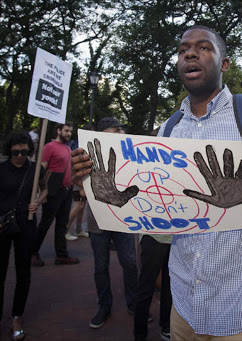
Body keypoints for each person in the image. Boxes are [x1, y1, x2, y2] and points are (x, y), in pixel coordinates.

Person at [72, 25, 242, 340]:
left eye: (203, 47)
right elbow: (157, 212)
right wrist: (95, 187)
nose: (190, 53)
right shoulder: (168, 131)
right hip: (185, 305)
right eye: (183, 49)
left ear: (225, 63)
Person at [82, 117, 141, 330]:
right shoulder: (86, 153)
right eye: (115, 130)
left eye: (121, 131)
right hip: (98, 220)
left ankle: (134, 303)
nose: (120, 134)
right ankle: (104, 305)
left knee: (130, 262)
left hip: (123, 217)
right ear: (101, 134)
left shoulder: (129, 153)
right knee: (100, 265)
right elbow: (75, 181)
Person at [0, 132, 47, 341]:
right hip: (2, 224)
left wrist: (38, 201)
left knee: (23, 272)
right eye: (16, 152)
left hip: (26, 224)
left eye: (25, 151)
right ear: (9, 150)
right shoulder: (1, 170)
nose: (20, 155)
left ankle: (17, 317)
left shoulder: (35, 169)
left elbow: (45, 190)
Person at [32, 122, 79, 266]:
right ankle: (33, 252)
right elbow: (42, 169)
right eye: (66, 131)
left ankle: (61, 255)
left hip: (67, 190)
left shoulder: (67, 148)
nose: (69, 133)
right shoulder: (49, 147)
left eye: (70, 131)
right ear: (58, 131)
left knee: (62, 225)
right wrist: (41, 191)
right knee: (45, 222)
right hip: (53, 191)